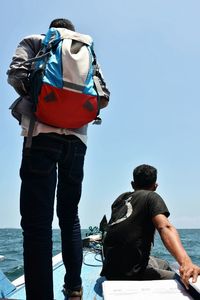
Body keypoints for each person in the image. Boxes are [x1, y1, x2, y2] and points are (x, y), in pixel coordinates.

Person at [7, 18, 110, 300]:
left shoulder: (35, 41)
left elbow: (15, 75)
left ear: (52, 30)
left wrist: (44, 100)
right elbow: (104, 98)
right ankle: (75, 288)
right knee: (70, 216)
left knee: (37, 223)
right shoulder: (87, 51)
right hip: (77, 143)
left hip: (40, 136)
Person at [101, 164, 200, 289]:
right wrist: (186, 263)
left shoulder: (120, 199)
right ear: (155, 185)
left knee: (163, 263)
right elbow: (165, 227)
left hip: (110, 270)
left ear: (132, 184)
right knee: (183, 282)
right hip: (133, 274)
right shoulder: (151, 197)